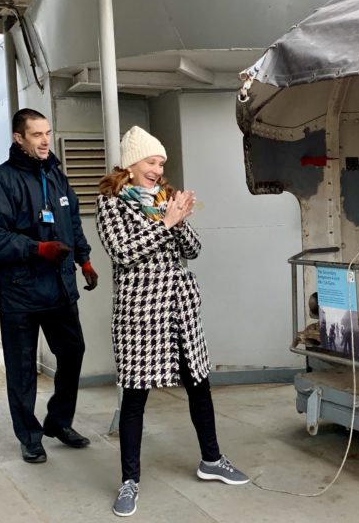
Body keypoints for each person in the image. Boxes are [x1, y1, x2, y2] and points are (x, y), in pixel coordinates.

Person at [96, 126, 249, 517]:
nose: (158, 168)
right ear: (130, 165)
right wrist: (165, 223)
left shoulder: (166, 199)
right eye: (151, 161)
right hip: (140, 315)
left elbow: (194, 249)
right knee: (134, 398)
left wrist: (179, 221)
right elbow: (123, 252)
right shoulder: (111, 203)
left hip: (179, 310)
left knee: (199, 385)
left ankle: (211, 460)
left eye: (161, 162)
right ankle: (129, 481)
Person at [0, 108, 99, 464]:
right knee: (23, 368)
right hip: (20, 293)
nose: (45, 140)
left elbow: (71, 220)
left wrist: (84, 259)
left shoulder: (56, 176)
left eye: (47, 133)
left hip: (59, 289)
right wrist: (37, 248)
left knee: (72, 353)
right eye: (36, 135)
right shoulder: (2, 181)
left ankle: (58, 422)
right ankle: (29, 436)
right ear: (19, 138)